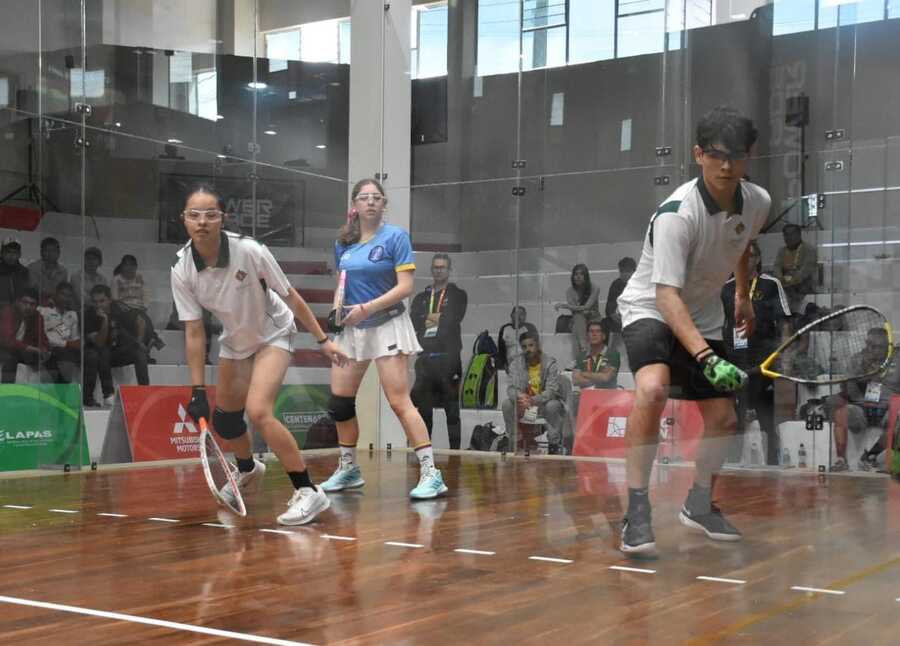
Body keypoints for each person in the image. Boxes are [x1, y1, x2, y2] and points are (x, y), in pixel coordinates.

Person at [616, 106, 771, 557]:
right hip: (650, 308)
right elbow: (666, 296)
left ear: (748, 156)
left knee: (724, 419)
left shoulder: (757, 201)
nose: (726, 166)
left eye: (736, 156)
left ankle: (699, 503)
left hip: (702, 315)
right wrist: (706, 357)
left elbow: (742, 241)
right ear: (698, 154)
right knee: (652, 389)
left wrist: (741, 294)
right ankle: (637, 509)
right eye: (717, 155)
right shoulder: (676, 215)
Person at [172, 184, 346, 525]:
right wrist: (197, 390)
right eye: (194, 215)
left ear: (223, 218)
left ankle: (308, 491)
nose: (202, 222)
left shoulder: (250, 251)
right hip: (235, 340)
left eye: (210, 215)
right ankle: (249, 470)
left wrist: (322, 339)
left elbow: (291, 296)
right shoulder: (182, 269)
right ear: (184, 219)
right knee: (226, 422)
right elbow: (194, 331)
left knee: (259, 411)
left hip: (273, 332)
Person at [319, 178, 448, 500]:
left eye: (376, 197)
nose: (370, 202)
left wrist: (367, 308)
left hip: (387, 325)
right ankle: (349, 468)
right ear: (354, 204)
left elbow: (406, 287)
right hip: (352, 329)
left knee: (398, 401)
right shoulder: (343, 243)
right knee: (339, 402)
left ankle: (431, 473)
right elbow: (342, 284)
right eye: (364, 197)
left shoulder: (396, 237)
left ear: (383, 204)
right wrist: (336, 314)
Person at [721, 240, 791, 465]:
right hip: (735, 360)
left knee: (766, 419)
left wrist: (784, 358)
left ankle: (772, 465)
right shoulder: (726, 288)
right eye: (739, 256)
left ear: (758, 258)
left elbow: (784, 323)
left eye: (749, 256)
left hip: (764, 361)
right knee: (735, 418)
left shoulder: (771, 284)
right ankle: (732, 464)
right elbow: (721, 322)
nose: (743, 260)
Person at [410, 253, 468, 449]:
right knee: (424, 411)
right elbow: (414, 321)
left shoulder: (458, 295)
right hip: (426, 360)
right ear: (431, 270)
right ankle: (424, 454)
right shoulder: (421, 297)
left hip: (448, 360)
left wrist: (429, 319)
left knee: (452, 411)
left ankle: (456, 454)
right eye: (435, 267)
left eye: (442, 267)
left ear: (449, 270)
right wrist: (438, 318)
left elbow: (452, 319)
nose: (438, 271)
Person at [825, 327, 900, 472]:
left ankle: (870, 456)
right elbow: (849, 393)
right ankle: (841, 460)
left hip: (889, 408)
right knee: (841, 413)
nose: (870, 349)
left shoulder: (898, 359)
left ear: (887, 346)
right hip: (862, 408)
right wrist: (862, 374)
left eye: (876, 346)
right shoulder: (858, 359)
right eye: (868, 345)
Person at [83, 284, 150, 406]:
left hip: (116, 351)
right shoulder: (89, 315)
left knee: (139, 351)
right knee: (102, 351)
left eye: (102, 301)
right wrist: (105, 321)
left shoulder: (118, 309)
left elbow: (140, 321)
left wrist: (140, 341)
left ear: (110, 300)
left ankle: (145, 392)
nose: (98, 305)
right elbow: (99, 342)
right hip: (97, 351)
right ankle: (108, 394)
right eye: (95, 302)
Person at [501, 330, 566, 454]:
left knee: (553, 405)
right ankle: (517, 442)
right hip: (524, 406)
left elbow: (552, 390)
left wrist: (533, 400)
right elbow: (511, 388)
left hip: (543, 405)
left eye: (531, 345)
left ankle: (554, 445)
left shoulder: (549, 363)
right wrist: (520, 396)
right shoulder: (516, 364)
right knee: (507, 404)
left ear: (538, 345)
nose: (528, 349)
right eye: (524, 347)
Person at [570, 318, 621, 425]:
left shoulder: (613, 354)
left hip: (606, 395)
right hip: (585, 397)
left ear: (604, 336)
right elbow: (575, 380)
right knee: (573, 400)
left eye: (598, 331)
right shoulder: (581, 356)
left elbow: (606, 378)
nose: (594, 334)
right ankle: (575, 434)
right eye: (591, 331)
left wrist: (584, 374)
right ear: (587, 336)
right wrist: (599, 376)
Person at [112, 254, 164, 352]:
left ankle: (146, 341)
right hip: (124, 309)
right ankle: (152, 338)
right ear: (122, 266)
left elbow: (146, 295)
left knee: (143, 318)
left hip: (139, 308)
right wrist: (121, 306)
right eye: (126, 265)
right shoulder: (117, 279)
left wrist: (145, 306)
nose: (129, 268)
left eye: (132, 265)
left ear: (136, 267)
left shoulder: (140, 278)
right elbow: (114, 297)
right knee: (141, 318)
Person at [0, 287, 49, 382]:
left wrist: (44, 348)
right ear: (18, 302)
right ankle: (7, 390)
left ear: (37, 306)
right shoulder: (8, 312)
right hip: (4, 348)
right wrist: (31, 348)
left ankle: (58, 392)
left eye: (32, 304)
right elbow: (7, 340)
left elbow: (42, 338)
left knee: (51, 360)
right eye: (25, 302)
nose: (28, 307)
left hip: (23, 352)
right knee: (10, 361)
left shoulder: (38, 317)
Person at [39, 281, 82, 384]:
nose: (66, 298)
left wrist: (74, 344)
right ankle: (63, 390)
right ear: (55, 294)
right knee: (63, 356)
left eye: (69, 296)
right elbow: (43, 337)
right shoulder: (43, 311)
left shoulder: (72, 315)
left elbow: (75, 339)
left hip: (66, 352)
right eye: (63, 294)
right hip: (49, 350)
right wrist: (66, 344)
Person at [556, 263, 600, 361]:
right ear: (572, 276)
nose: (578, 277)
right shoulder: (569, 291)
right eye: (576, 274)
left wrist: (565, 306)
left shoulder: (595, 287)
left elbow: (587, 307)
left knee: (578, 318)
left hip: (593, 317)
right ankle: (583, 351)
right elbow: (574, 310)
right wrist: (574, 308)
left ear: (586, 276)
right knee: (578, 320)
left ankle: (577, 360)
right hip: (579, 319)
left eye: (581, 274)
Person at [773, 224, 817, 314]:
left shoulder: (809, 249)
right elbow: (777, 266)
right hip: (785, 285)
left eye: (792, 234)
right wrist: (780, 278)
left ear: (799, 234)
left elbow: (806, 270)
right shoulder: (781, 250)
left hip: (802, 285)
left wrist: (792, 281)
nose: (789, 237)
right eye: (786, 235)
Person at [497, 305, 539, 373]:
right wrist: (504, 365)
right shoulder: (505, 329)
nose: (519, 317)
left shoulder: (530, 328)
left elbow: (536, 348)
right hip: (510, 366)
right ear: (511, 315)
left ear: (525, 316)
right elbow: (501, 350)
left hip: (526, 366)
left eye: (521, 314)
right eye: (516, 314)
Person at [27, 236, 68, 301]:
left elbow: (63, 293)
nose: (50, 254)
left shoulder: (63, 271)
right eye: (47, 250)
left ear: (59, 253)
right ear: (41, 252)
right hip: (35, 303)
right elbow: (33, 290)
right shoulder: (32, 268)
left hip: (55, 304)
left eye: (53, 250)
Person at [604, 257, 637, 337]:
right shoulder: (616, 284)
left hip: (636, 318)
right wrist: (612, 314)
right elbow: (609, 304)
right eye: (622, 271)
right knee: (605, 324)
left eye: (628, 271)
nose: (624, 274)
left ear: (634, 271)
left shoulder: (641, 285)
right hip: (619, 319)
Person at [0, 238, 31, 306]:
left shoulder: (24, 272)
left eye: (15, 252)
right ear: (1, 253)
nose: (11, 255)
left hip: (19, 309)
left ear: (19, 255)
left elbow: (27, 295)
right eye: (8, 252)